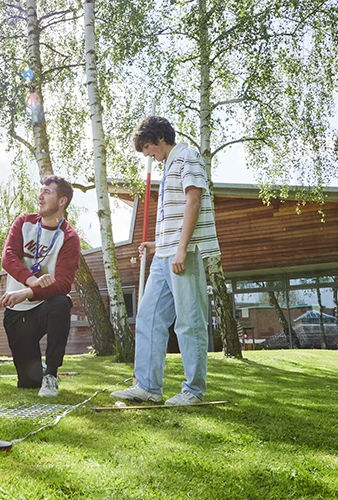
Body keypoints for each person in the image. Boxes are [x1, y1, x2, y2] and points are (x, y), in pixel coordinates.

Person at [111, 115, 219, 406]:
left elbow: (193, 201)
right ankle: (148, 387)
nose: (148, 155)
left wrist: (181, 248)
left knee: (189, 321)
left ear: (158, 139)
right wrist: (158, 244)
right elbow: (175, 215)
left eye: (147, 147)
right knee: (148, 316)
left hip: (185, 253)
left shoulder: (187, 156)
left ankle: (193, 391)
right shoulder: (169, 165)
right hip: (165, 254)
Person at [0, 176, 81, 397]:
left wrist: (28, 291)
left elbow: (63, 283)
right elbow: (8, 258)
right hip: (17, 314)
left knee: (61, 303)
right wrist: (32, 280)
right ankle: (38, 375)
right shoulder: (24, 222)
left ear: (62, 201)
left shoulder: (70, 238)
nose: (40, 195)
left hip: (43, 308)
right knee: (28, 382)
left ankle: (51, 375)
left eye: (47, 192)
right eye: (41, 190)